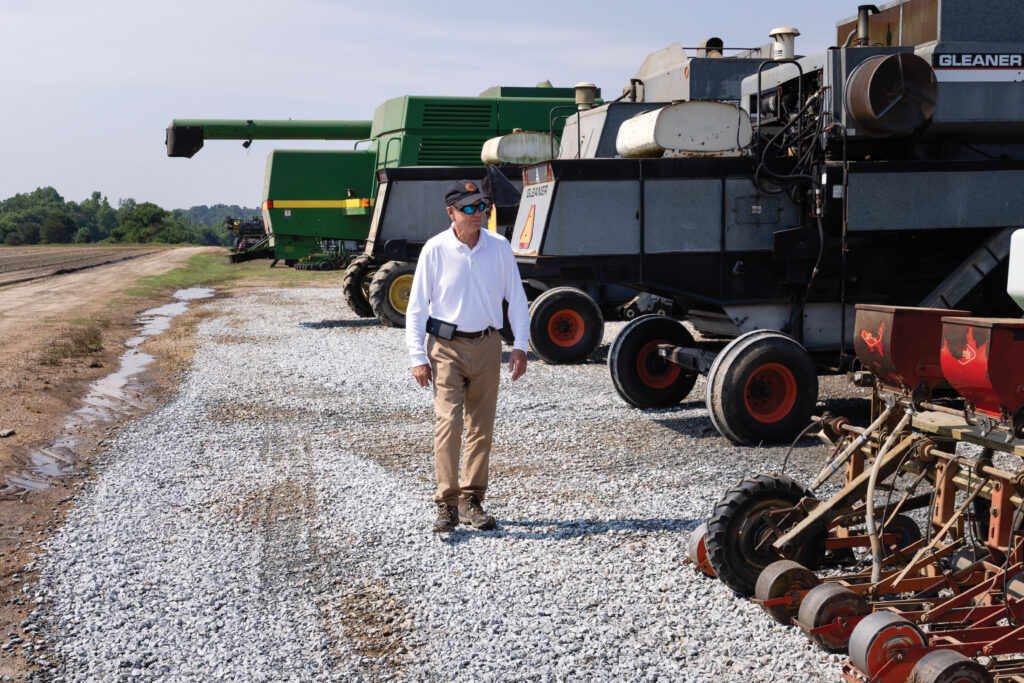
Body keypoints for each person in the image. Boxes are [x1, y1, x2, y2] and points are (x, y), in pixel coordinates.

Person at [405, 179, 529, 533]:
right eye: (470, 208)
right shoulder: (435, 249)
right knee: (449, 423)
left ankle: (472, 500)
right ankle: (447, 504)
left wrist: (520, 345)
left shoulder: (499, 247)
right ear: (451, 213)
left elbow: (517, 298)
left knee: (481, 426)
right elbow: (417, 308)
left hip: (488, 346)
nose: (479, 213)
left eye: (482, 206)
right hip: (445, 348)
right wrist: (417, 357)